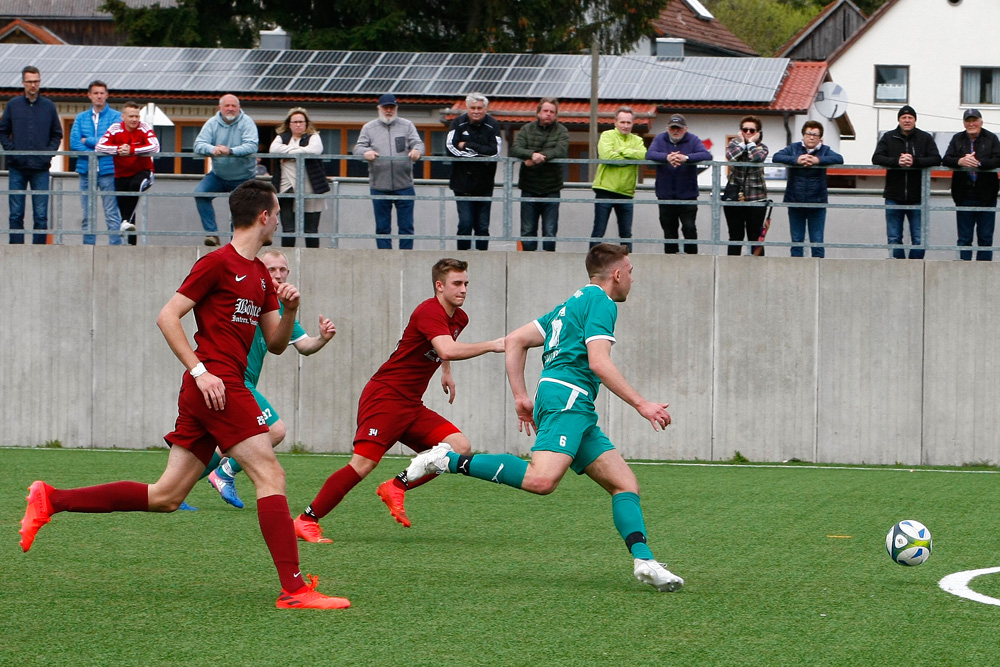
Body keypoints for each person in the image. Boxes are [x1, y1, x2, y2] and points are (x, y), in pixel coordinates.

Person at [18, 180, 349, 610]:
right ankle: (295, 590)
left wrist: (289, 312)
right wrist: (200, 370)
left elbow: (278, 343)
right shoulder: (216, 262)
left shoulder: (263, 280)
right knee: (271, 476)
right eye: (278, 211)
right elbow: (167, 316)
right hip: (218, 386)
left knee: (166, 496)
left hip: (214, 391)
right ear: (264, 216)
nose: (280, 218)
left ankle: (51, 498)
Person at [406, 244, 683, 593]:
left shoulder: (571, 304)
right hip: (568, 397)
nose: (631, 278)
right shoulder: (601, 302)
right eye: (630, 271)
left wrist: (522, 397)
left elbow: (515, 340)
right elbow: (599, 362)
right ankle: (445, 459)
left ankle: (645, 561)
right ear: (616, 274)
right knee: (542, 481)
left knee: (624, 484)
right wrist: (642, 404)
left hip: (570, 401)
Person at [292, 258, 505, 543]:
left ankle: (396, 486)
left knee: (459, 448)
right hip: (386, 397)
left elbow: (442, 349)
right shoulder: (428, 310)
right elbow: (447, 347)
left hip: (410, 405)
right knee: (363, 464)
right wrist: (493, 345)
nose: (464, 289)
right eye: (457, 283)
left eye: (466, 283)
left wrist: (445, 371)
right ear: (439, 286)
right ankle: (306, 520)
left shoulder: (460, 318)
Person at [205, 248, 337, 508]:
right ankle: (223, 473)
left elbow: (304, 346)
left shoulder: (283, 309)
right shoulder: (245, 295)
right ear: (260, 270)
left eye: (282, 270)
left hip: (244, 382)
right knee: (274, 431)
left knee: (218, 444)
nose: (278, 275)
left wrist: (322, 338)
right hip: (232, 379)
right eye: (271, 270)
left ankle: (180, 488)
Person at [0, 66, 62, 245]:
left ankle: (39, 250)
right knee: (16, 213)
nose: (33, 85)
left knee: (41, 215)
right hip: (17, 167)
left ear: (40, 82)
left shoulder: (49, 107)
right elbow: (3, 131)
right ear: (23, 83)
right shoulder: (13, 105)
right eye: (29, 82)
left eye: (36, 81)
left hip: (41, 168)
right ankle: (16, 249)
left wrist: (47, 155)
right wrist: (13, 152)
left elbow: (57, 134)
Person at [354, 93, 424, 250]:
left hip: (404, 185)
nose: (389, 111)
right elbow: (357, 148)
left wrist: (417, 151)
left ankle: (406, 257)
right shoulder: (369, 128)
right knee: (382, 228)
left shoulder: (407, 125)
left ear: (396, 108)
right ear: (379, 109)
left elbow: (419, 144)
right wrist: (366, 153)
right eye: (386, 107)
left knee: (406, 228)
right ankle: (384, 258)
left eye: (392, 107)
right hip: (379, 185)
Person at [872, 105, 941, 260]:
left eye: (910, 117)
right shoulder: (889, 137)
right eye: (904, 117)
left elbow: (936, 158)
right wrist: (898, 161)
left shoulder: (925, 138)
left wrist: (914, 161)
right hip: (894, 195)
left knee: (919, 238)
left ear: (915, 120)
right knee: (894, 237)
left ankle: (915, 268)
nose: (907, 120)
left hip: (918, 196)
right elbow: (876, 157)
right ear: (899, 120)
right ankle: (898, 268)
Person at [193, 94, 259, 247]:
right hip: (218, 175)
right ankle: (212, 234)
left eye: (233, 106)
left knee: (238, 210)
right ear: (220, 108)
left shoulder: (247, 122)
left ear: (239, 108)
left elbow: (252, 145)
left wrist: (231, 151)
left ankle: (234, 242)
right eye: (227, 106)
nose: (230, 109)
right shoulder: (212, 123)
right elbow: (198, 145)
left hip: (243, 177)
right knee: (200, 193)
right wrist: (212, 149)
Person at [771, 121, 844, 258]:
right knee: (797, 240)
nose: (811, 137)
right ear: (803, 135)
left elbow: (839, 159)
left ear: (820, 138)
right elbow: (776, 157)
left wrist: (818, 160)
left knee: (817, 240)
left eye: (815, 135)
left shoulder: (825, 150)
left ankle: (819, 271)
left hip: (817, 200)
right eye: (808, 134)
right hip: (795, 200)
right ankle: (797, 270)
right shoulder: (794, 148)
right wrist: (797, 160)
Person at [646, 114, 712, 254]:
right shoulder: (659, 138)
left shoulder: (693, 139)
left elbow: (706, 155)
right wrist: (667, 157)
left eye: (679, 128)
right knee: (669, 230)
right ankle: (670, 259)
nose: (676, 131)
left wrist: (686, 158)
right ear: (667, 128)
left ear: (685, 129)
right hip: (665, 195)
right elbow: (650, 154)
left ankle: (692, 257)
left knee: (689, 228)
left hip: (688, 195)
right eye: (673, 128)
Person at [97, 101, 160, 246]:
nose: (134, 120)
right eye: (131, 116)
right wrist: (118, 149)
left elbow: (155, 147)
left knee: (135, 187)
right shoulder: (115, 129)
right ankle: (131, 244)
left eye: (137, 116)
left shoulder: (144, 128)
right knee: (127, 209)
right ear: (123, 117)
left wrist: (132, 150)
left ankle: (124, 222)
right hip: (121, 175)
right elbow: (100, 146)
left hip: (143, 172)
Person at [510, 97, 569, 252]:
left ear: (556, 115)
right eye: (545, 111)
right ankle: (527, 265)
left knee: (550, 231)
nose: (548, 114)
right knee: (528, 231)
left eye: (552, 112)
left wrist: (536, 158)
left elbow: (561, 151)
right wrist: (531, 154)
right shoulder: (526, 129)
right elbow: (515, 148)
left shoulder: (562, 131)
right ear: (538, 113)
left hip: (552, 188)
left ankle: (549, 265)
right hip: (529, 187)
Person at [69, 80, 123, 246]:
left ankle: (115, 248)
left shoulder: (116, 117)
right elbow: (74, 143)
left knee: (112, 213)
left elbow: (114, 141)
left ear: (107, 95)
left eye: (102, 93)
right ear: (89, 95)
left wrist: (89, 141)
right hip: (86, 171)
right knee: (88, 214)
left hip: (108, 171)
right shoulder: (81, 118)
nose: (99, 96)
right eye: (95, 93)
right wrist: (96, 152)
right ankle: (88, 248)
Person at [942, 109, 1000, 261]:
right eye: (968, 120)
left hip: (987, 194)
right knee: (964, 237)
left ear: (981, 121)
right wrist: (959, 161)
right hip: (964, 193)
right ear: (964, 123)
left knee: (986, 237)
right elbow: (946, 158)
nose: (971, 124)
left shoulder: (991, 138)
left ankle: (984, 270)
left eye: (974, 120)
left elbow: (998, 159)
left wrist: (979, 163)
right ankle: (963, 268)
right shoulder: (957, 139)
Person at [446, 93, 502, 250]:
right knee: (465, 223)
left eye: (479, 108)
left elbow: (495, 152)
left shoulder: (493, 125)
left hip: (484, 186)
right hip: (462, 184)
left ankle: (482, 256)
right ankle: (461, 258)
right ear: (467, 108)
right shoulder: (458, 123)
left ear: (485, 109)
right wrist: (478, 154)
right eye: (473, 108)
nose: (476, 111)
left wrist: (468, 145)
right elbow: (450, 148)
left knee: (482, 227)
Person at [269, 107, 330, 248]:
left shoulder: (313, 136)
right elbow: (273, 149)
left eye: (301, 122)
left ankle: (313, 260)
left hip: (311, 189)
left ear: (306, 123)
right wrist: (299, 154)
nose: (298, 125)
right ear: (289, 124)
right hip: (285, 188)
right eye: (295, 121)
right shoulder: (282, 137)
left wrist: (289, 155)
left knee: (311, 230)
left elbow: (314, 150)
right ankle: (286, 260)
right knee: (288, 230)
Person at [591, 107, 646, 252]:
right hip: (605, 189)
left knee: (626, 234)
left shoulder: (637, 139)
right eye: (622, 122)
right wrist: (630, 156)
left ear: (633, 123)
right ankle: (592, 263)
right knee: (598, 231)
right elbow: (607, 157)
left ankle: (627, 265)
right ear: (615, 122)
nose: (626, 125)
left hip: (626, 192)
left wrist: (620, 151)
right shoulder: (607, 135)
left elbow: (643, 156)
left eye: (629, 122)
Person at [723, 115, 769, 256]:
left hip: (756, 197)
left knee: (755, 236)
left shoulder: (762, 147)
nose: (748, 132)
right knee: (735, 235)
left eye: (752, 130)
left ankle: (759, 268)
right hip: (735, 196)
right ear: (740, 131)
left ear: (758, 133)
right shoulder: (734, 144)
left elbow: (757, 158)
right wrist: (742, 143)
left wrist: (750, 144)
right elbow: (730, 156)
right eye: (745, 129)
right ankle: (731, 267)